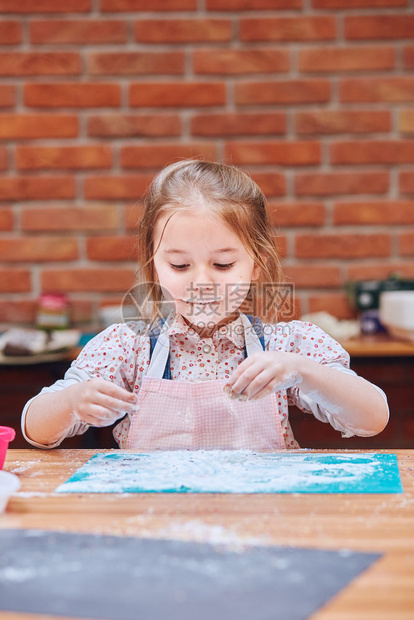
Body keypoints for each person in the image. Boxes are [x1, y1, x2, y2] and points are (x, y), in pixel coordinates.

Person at [22, 160, 389, 450]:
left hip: (261, 520)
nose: (202, 282)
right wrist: (72, 401)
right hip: (151, 523)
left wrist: (305, 371)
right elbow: (35, 428)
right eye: (180, 265)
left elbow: (372, 419)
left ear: (256, 263)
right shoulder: (128, 346)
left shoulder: (286, 346)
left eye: (223, 264)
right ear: (154, 266)